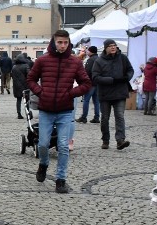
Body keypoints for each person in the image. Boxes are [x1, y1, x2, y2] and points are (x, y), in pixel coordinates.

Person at [26, 30, 92, 193]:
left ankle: (60, 179)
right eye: (59, 42)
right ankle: (44, 163)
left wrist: (71, 94)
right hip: (46, 109)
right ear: (54, 43)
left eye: (65, 42)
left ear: (69, 43)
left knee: (63, 146)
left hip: (65, 110)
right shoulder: (43, 60)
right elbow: (30, 79)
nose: (62, 45)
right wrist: (41, 92)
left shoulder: (75, 62)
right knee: (42, 144)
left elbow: (86, 83)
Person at [92, 39, 134, 150]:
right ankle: (105, 140)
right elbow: (95, 77)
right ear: (106, 48)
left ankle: (120, 140)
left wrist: (126, 78)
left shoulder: (123, 58)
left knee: (119, 116)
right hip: (105, 94)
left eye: (114, 45)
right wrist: (111, 80)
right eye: (110, 46)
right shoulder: (99, 61)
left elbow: (130, 70)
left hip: (120, 93)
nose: (113, 47)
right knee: (105, 118)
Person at [76, 46, 101, 124]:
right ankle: (97, 117)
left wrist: (85, 82)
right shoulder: (100, 59)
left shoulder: (90, 60)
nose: (87, 52)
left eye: (88, 51)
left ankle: (84, 117)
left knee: (86, 100)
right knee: (96, 101)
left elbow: (87, 72)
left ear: (91, 51)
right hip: (98, 83)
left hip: (90, 83)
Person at [11, 53, 32, 119]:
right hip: (25, 85)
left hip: (16, 86)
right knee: (27, 100)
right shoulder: (26, 66)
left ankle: (19, 113)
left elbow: (12, 76)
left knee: (18, 100)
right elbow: (29, 75)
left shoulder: (14, 67)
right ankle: (28, 112)